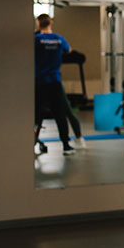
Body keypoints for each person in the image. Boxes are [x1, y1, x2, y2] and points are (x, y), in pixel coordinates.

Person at [34, 14, 84, 154]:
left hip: (39, 81)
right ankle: (66, 146)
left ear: (38, 24)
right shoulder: (59, 39)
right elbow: (68, 50)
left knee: (35, 113)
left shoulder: (37, 39)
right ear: (51, 23)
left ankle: (30, 141)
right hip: (55, 81)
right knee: (60, 114)